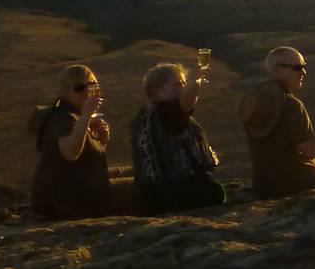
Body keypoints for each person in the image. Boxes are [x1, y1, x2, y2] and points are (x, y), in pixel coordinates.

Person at [28, 65, 137, 219]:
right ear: (66, 92)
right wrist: (86, 116)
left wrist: (101, 140)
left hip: (76, 187)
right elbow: (70, 153)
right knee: (142, 182)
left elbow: (87, 158)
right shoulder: (63, 118)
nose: (89, 92)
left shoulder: (74, 115)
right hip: (68, 200)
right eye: (80, 88)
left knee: (137, 170)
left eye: (93, 86)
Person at [132, 62, 226, 212]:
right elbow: (186, 103)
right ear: (156, 91)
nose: (182, 88)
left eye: (183, 83)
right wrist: (195, 81)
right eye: (177, 84)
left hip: (154, 194)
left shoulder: (145, 115)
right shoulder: (165, 112)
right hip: (175, 194)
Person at [239, 46, 315, 198]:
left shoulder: (254, 101)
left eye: (304, 67)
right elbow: (311, 151)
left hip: (263, 185)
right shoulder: (292, 105)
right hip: (296, 184)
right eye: (297, 67)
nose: (303, 72)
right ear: (277, 70)